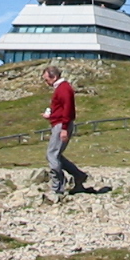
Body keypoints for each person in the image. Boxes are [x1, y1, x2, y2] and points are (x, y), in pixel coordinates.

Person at [42, 65, 88, 196]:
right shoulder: (62, 88)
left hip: (61, 124)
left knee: (52, 154)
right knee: (56, 155)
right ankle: (78, 175)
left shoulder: (63, 89)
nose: (47, 83)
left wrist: (64, 129)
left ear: (54, 77)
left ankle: (58, 187)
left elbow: (68, 109)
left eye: (47, 80)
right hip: (59, 122)